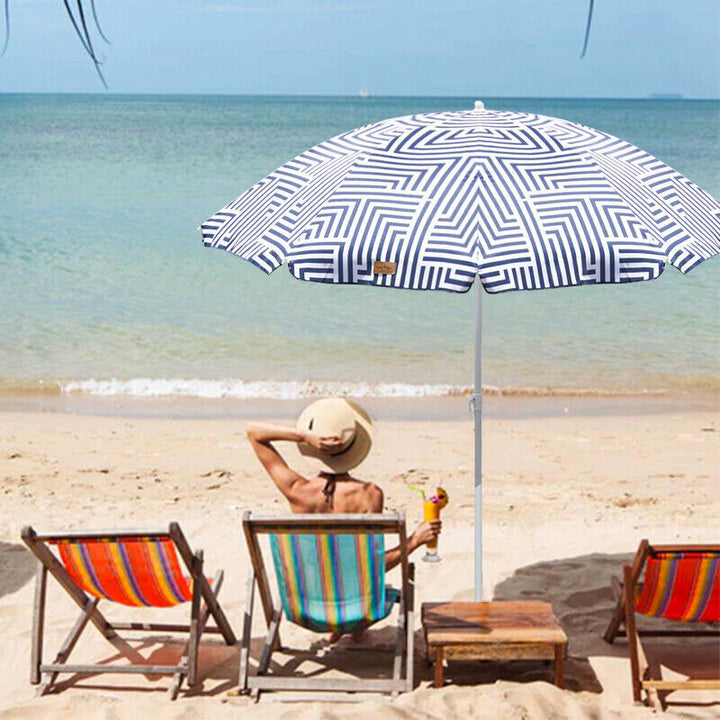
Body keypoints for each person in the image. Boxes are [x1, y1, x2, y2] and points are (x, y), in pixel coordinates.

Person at [245, 397, 441, 573]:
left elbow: (253, 432)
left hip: (306, 606)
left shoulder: (297, 490)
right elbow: (373, 568)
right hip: (358, 608)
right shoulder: (370, 495)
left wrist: (305, 436)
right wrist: (414, 541)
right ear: (355, 447)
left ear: (313, 449)